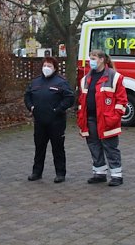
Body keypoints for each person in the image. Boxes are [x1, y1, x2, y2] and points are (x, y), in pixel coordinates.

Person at [77, 50, 127, 186]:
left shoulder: (114, 77)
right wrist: (81, 118)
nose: (90, 61)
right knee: (94, 146)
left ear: (101, 59)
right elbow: (81, 101)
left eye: (93, 58)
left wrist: (115, 117)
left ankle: (117, 176)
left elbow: (122, 100)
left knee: (110, 148)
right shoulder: (85, 79)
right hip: (90, 119)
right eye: (90, 58)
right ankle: (99, 174)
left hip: (107, 120)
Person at [24, 56, 74, 182]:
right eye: (45, 65)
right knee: (39, 148)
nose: (46, 68)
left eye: (49, 66)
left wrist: (58, 109)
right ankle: (36, 172)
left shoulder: (61, 82)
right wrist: (31, 107)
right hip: (40, 121)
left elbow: (69, 98)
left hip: (56, 122)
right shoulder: (35, 82)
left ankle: (60, 173)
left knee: (58, 148)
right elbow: (27, 96)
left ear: (55, 68)